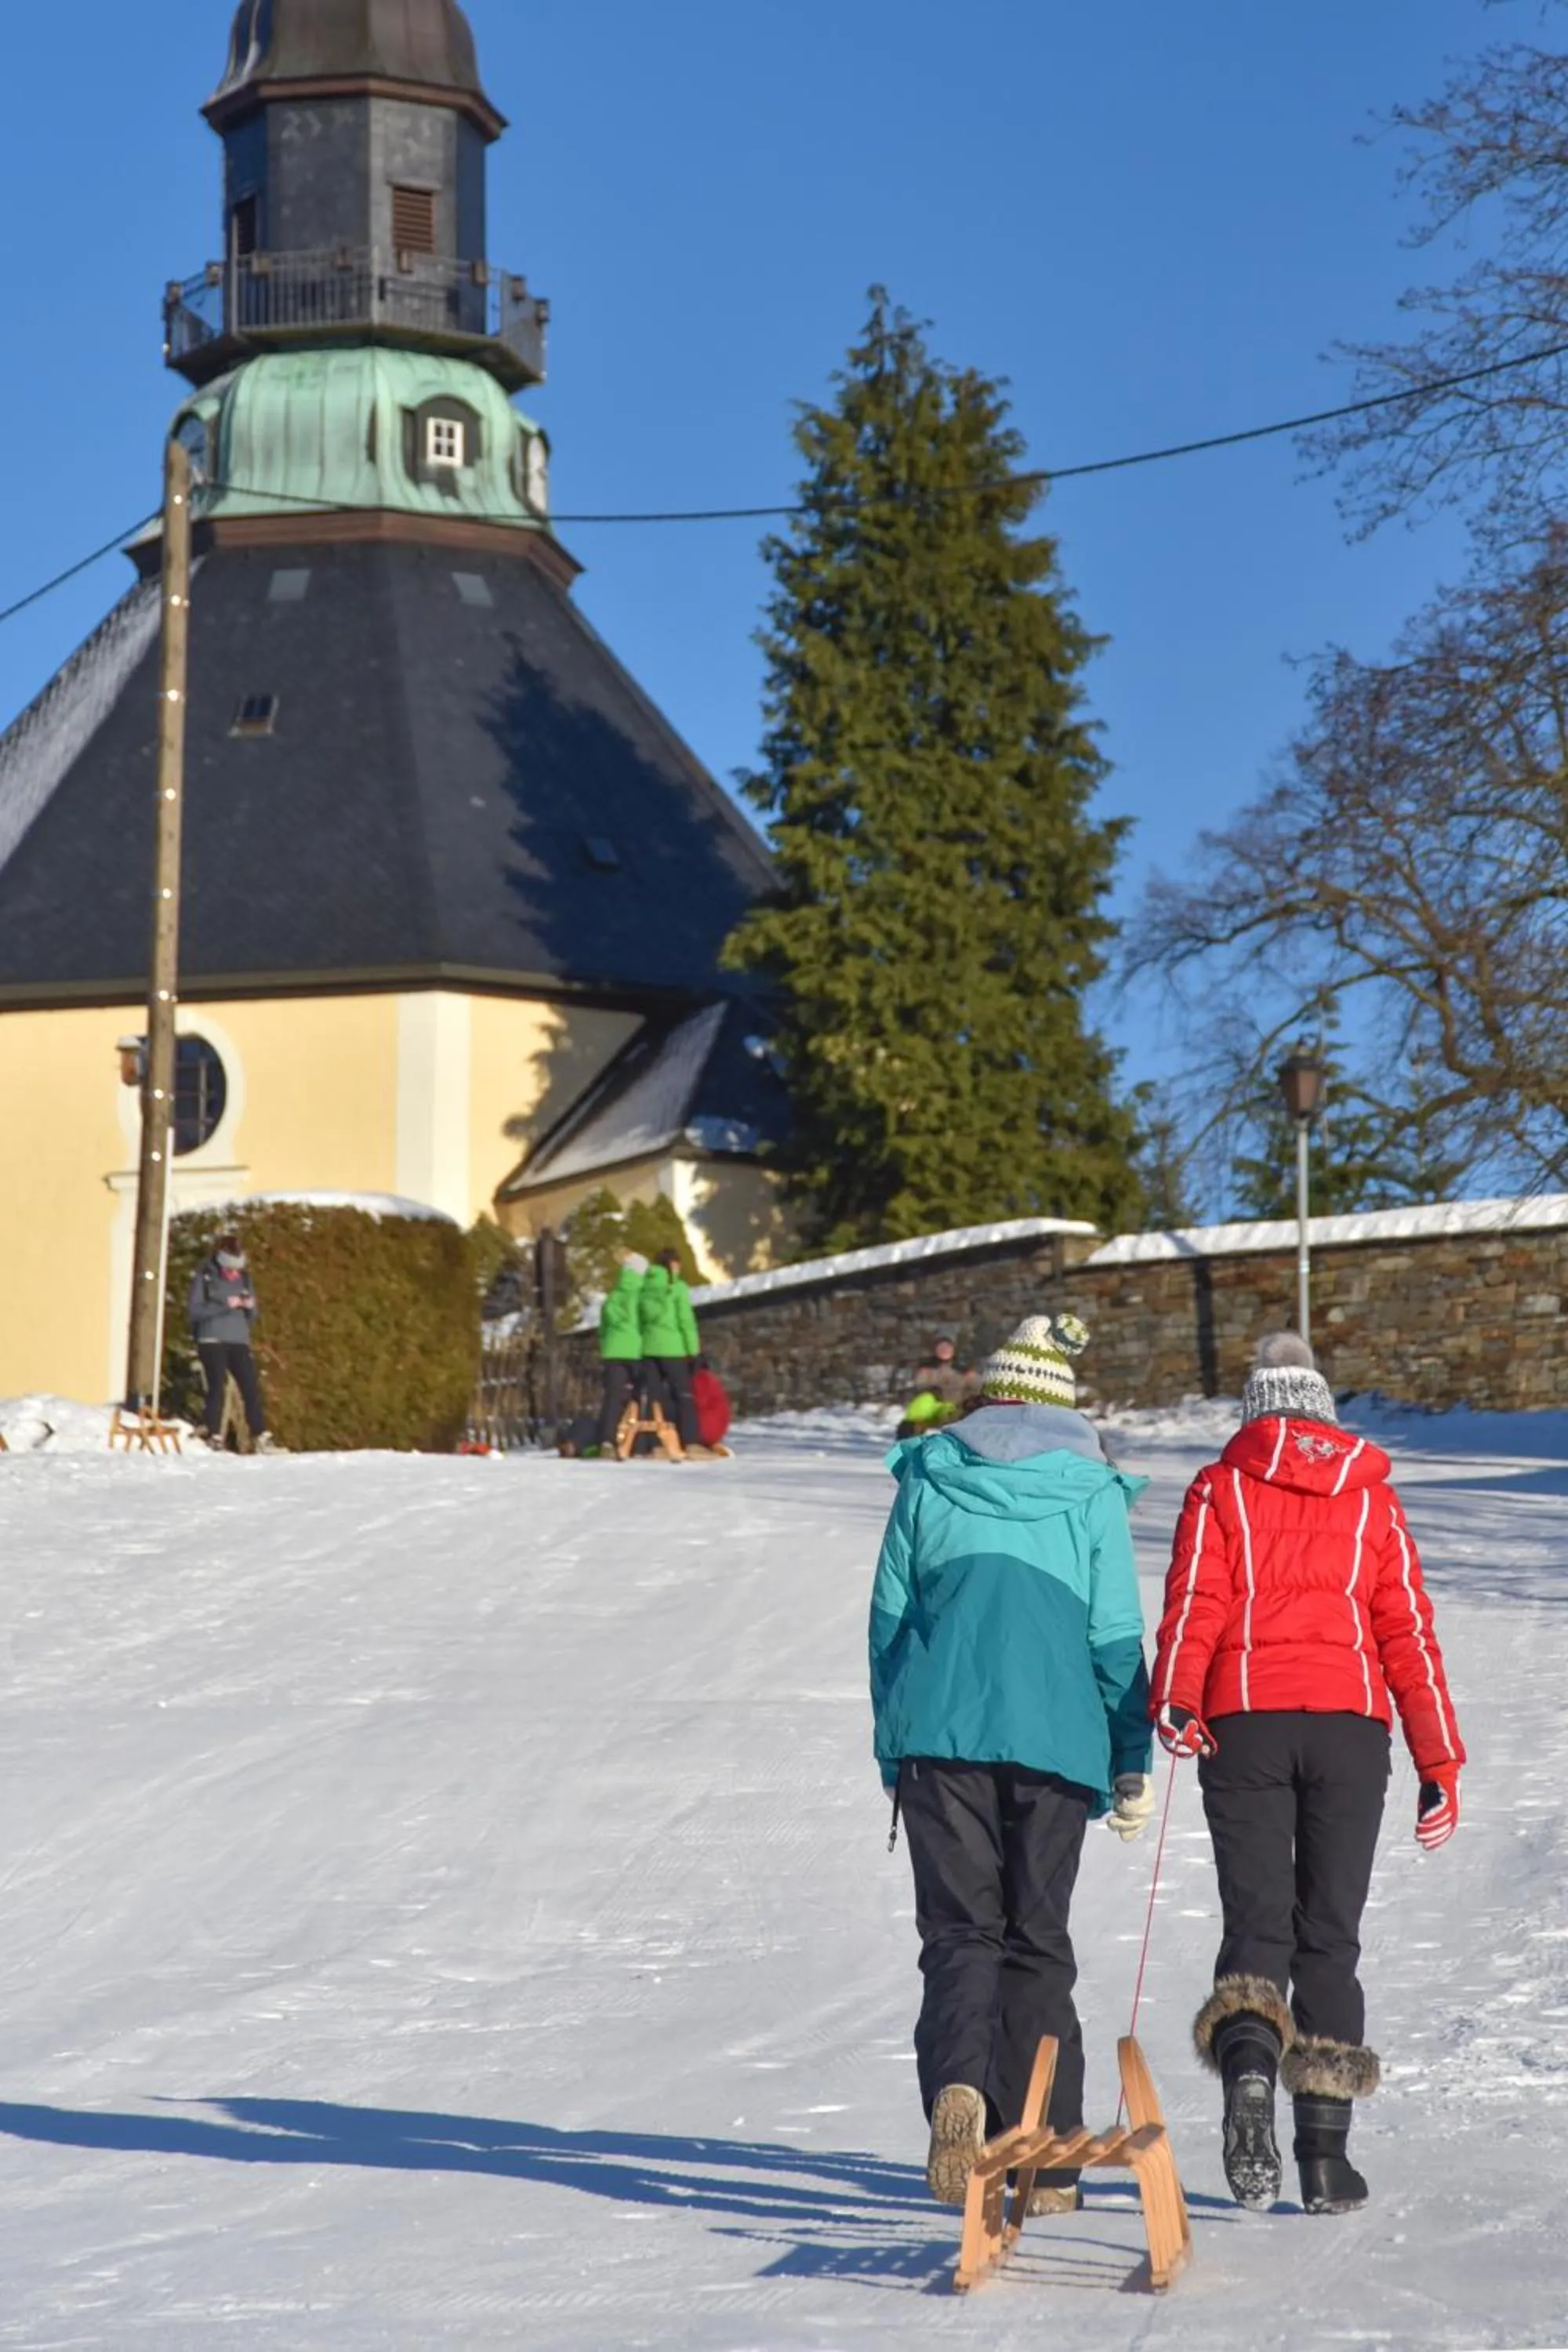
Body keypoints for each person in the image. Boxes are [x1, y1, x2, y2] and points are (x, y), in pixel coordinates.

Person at [1152, 1333, 1465, 2217]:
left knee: (1256, 1925)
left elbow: (1195, 1603)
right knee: (1327, 1936)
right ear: (1322, 1409)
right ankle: (1324, 2163)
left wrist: (1176, 1699)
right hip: (1349, 1732)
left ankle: (1250, 2069)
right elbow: (1407, 1635)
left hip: (1244, 1726)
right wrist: (1437, 1760)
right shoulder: (1372, 1499)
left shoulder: (1219, 1487)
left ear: (1255, 1406)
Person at [869, 1312, 1153, 2215]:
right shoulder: (1091, 1491)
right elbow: (1114, 1637)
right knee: (1037, 1941)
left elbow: (888, 1622)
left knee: (960, 1936)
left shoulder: (929, 1472)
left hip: (938, 1736)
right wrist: (1129, 1756)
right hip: (1055, 1744)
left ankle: (959, 2088)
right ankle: (1048, 2160)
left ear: (987, 1395)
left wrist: (891, 1743)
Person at [187, 1232, 280, 1454]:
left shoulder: (245, 1279)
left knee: (250, 1387)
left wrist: (249, 1307)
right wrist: (224, 1306)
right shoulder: (205, 1276)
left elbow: (252, 1316)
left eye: (237, 1269)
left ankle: (261, 1435)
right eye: (230, 1269)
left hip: (238, 1340)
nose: (234, 1274)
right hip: (212, 1339)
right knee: (217, 1387)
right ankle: (214, 1434)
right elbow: (194, 1312)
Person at [637, 1247, 701, 1449]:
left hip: (648, 1349)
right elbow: (685, 1321)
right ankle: (690, 1441)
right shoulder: (677, 1288)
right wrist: (693, 1350)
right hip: (673, 1349)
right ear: (672, 1264)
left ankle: (653, 1443)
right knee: (683, 1395)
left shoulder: (644, 1289)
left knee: (654, 1398)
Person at [594, 1250, 648, 1457]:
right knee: (638, 1397)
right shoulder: (641, 1296)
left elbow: (603, 1330)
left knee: (613, 1397)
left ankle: (607, 1440)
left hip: (612, 1351)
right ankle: (636, 1442)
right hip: (636, 1350)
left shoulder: (612, 1298)